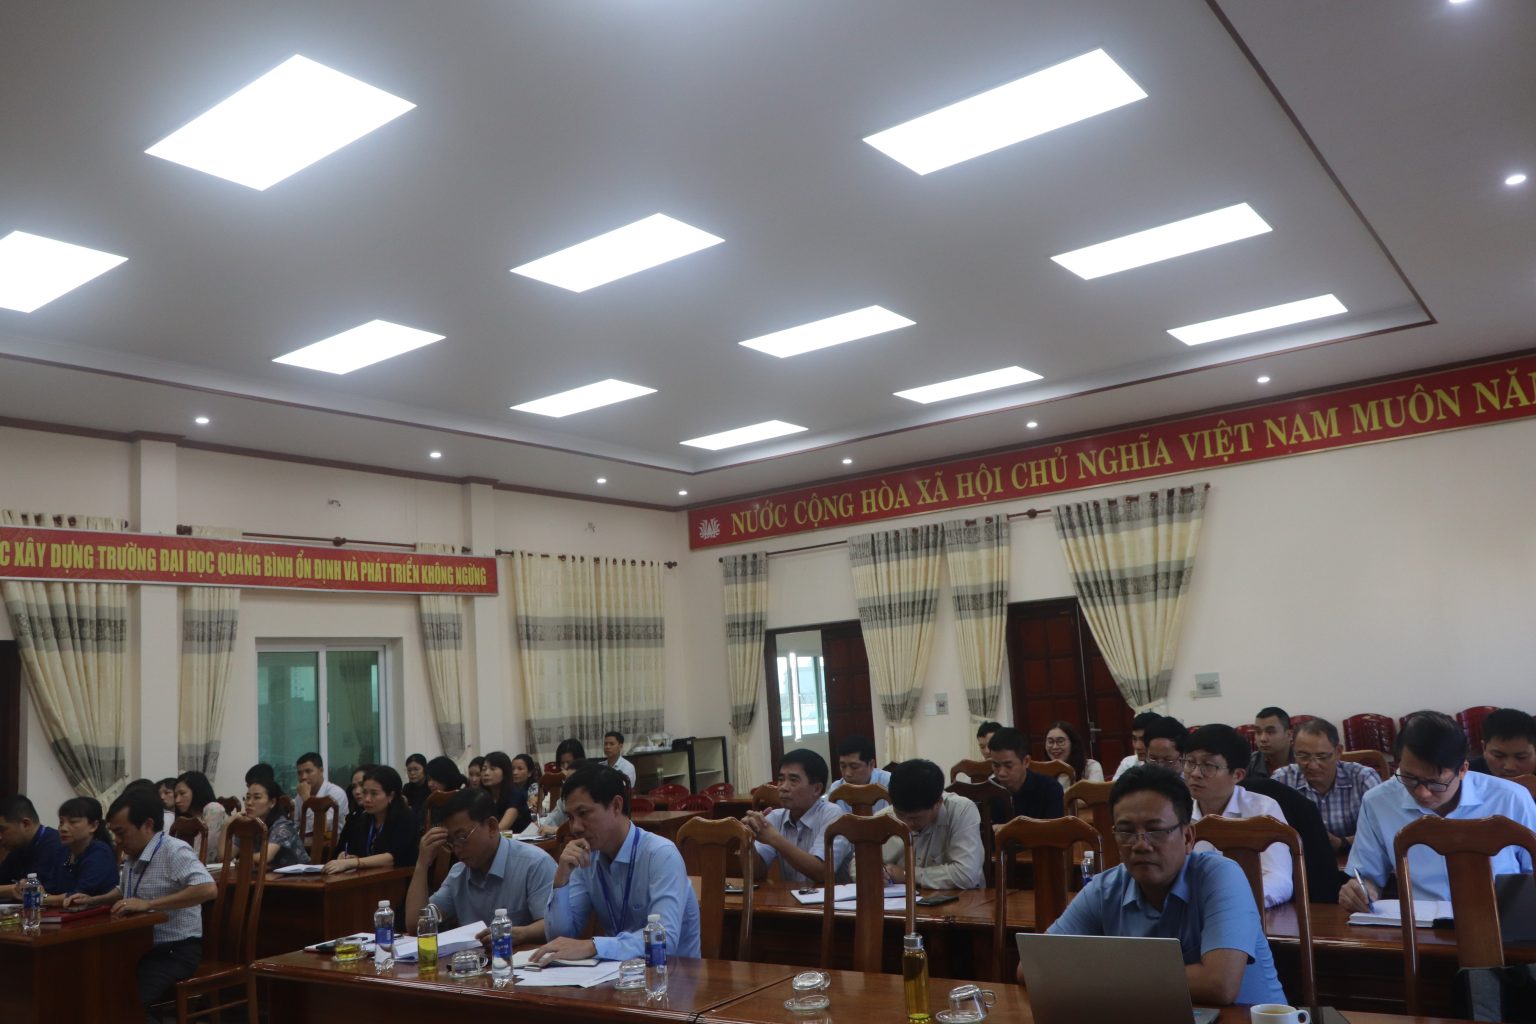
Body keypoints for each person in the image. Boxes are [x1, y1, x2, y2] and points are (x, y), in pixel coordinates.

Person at [1044, 766, 1287, 1006]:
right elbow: (1035, 964)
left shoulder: (1221, 876)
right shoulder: (1105, 889)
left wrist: (1107, 974)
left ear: (1188, 838)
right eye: (1126, 832)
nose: (1140, 845)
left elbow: (1219, 984)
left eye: (1155, 830)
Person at [1342, 710, 1536, 912]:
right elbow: (1367, 876)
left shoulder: (1511, 798)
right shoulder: (1378, 802)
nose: (1422, 793)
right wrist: (1360, 891)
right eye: (1409, 777)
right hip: (1420, 922)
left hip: (1501, 917)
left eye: (1435, 783)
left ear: (1463, 770)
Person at [64, 787, 217, 1015]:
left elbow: (207, 888)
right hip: (139, 948)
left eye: (121, 832)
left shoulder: (174, 850)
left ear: (147, 825)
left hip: (174, 952)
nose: (117, 840)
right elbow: (125, 891)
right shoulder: (134, 853)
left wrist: (149, 904)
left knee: (125, 1002)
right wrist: (95, 899)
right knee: (90, 987)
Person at [534, 764, 700, 963]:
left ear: (616, 806)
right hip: (618, 974)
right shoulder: (586, 857)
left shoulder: (660, 854)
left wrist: (594, 946)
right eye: (570, 817)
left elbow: (664, 939)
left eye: (583, 813)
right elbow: (559, 938)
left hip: (672, 974)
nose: (575, 827)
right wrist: (561, 879)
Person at [405, 788, 554, 946]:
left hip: (520, 958)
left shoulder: (534, 863)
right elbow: (416, 926)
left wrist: (522, 934)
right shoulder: (458, 873)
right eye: (450, 841)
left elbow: (553, 924)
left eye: (461, 837)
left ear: (491, 827)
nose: (456, 849)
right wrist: (422, 864)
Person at [1183, 725, 1292, 909]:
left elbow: (1279, 878)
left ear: (1237, 775)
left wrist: (1230, 902)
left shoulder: (1263, 811)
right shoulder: (1176, 811)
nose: (1195, 773)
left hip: (1244, 910)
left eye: (1208, 766)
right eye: (1190, 762)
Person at [1272, 718, 1382, 851]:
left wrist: (1342, 842)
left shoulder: (1363, 778)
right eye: (1303, 756)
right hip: (1301, 858)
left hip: (1356, 855)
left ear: (1338, 752)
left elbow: (1383, 830)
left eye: (1322, 756)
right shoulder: (1281, 781)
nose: (1312, 765)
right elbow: (1270, 834)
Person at [744, 748, 851, 884]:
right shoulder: (775, 817)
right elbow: (756, 873)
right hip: (791, 897)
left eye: (793, 780)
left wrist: (775, 839)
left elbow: (823, 873)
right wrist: (747, 841)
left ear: (817, 789)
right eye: (781, 779)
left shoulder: (833, 815)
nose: (783, 787)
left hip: (833, 896)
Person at [874, 759, 984, 890]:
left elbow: (966, 875)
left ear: (938, 803)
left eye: (915, 818)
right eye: (900, 815)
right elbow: (857, 866)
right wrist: (878, 874)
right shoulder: (883, 818)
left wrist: (906, 874)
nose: (906, 824)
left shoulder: (961, 811)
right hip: (899, 900)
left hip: (961, 899)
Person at [326, 765, 420, 872]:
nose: (367, 799)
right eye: (365, 792)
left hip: (401, 877)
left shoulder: (406, 818)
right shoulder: (363, 819)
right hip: (370, 876)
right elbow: (361, 853)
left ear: (391, 796)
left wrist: (355, 862)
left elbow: (393, 858)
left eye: (374, 794)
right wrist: (348, 857)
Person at [42, 796, 117, 904]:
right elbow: (49, 888)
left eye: (72, 822)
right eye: (61, 822)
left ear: (93, 826)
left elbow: (77, 897)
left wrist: (39, 899)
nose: (63, 828)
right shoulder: (63, 851)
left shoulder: (100, 853)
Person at [987, 727, 1065, 824]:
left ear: (1026, 761)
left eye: (1008, 766)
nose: (1001, 773)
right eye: (996, 765)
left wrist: (1006, 829)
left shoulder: (1050, 789)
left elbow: (1055, 830)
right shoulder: (988, 791)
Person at [232, 776, 309, 869]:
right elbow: (224, 856)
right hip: (268, 874)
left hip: (298, 875)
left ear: (272, 802)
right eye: (247, 797)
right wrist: (227, 824)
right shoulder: (249, 824)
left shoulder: (283, 825)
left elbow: (266, 857)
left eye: (256, 797)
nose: (249, 803)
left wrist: (245, 858)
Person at [0, 794, 66, 899]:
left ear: (25, 824)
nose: (0, 837)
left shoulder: (55, 845)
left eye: (2, 830)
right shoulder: (17, 847)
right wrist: (10, 889)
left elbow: (33, 889)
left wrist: (12, 889)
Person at [174, 771, 228, 865]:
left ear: (197, 791)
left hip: (213, 870)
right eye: (175, 796)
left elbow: (203, 852)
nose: (177, 800)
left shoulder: (214, 809)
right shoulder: (186, 818)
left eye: (182, 793)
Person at [828, 735, 892, 812]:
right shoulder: (836, 790)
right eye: (843, 766)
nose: (847, 774)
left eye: (854, 767)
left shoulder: (889, 782)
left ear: (871, 764)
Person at [294, 751, 349, 840]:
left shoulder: (336, 793)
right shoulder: (300, 795)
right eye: (299, 773)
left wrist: (307, 800)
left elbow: (322, 827)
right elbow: (296, 825)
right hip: (305, 843)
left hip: (330, 845)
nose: (303, 777)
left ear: (321, 771)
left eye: (308, 771)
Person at [1468, 708, 1536, 779]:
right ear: (1484, 748)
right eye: (1498, 756)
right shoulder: (1467, 774)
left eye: (1521, 757)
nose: (1509, 767)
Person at [537, 739, 587, 835]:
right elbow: (554, 817)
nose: (565, 767)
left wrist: (557, 830)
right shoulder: (567, 792)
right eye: (562, 763)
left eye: (569, 763)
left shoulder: (591, 788)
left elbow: (586, 826)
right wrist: (538, 824)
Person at [481, 751, 530, 834]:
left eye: (492, 769)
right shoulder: (482, 796)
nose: (486, 773)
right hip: (494, 839)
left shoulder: (515, 795)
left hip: (520, 840)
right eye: (483, 769)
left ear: (505, 772)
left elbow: (501, 828)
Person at [1044, 721, 1104, 787]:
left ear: (1073, 743)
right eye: (1050, 742)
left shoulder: (1090, 767)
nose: (1055, 747)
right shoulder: (1042, 771)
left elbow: (1094, 792)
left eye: (1060, 741)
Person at [1114, 712, 1169, 780]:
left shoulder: (1172, 766)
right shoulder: (1128, 764)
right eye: (1134, 739)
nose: (1138, 746)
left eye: (1143, 739)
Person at [1248, 707, 1294, 780]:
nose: (1263, 739)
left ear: (1289, 735)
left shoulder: (1303, 761)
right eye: (1258, 732)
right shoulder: (1249, 763)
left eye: (1270, 732)